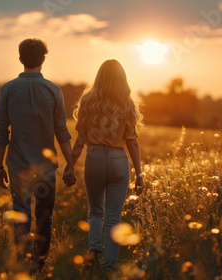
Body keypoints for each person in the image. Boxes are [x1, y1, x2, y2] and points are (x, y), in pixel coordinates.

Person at [0, 38, 77, 273]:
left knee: (20, 215)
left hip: (17, 165)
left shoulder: (7, 89)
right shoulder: (53, 90)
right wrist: (70, 165)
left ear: (20, 59)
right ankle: (39, 264)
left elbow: (2, 132)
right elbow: (62, 132)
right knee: (44, 217)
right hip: (46, 169)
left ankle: (24, 263)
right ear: (43, 59)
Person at [69, 59, 144, 273]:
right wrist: (139, 174)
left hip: (94, 158)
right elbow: (132, 142)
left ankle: (93, 252)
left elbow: (80, 139)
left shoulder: (88, 99)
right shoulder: (126, 101)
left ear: (99, 76)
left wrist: (69, 166)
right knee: (113, 218)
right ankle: (109, 266)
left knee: (95, 212)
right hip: (118, 160)